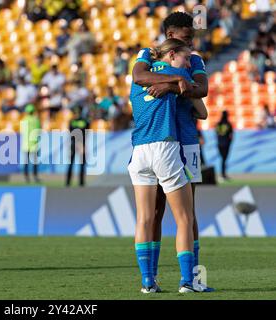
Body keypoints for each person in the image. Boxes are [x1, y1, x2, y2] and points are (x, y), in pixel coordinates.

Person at [132, 11, 213, 293]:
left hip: (185, 140)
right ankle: (153, 278)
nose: (192, 46)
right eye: (187, 38)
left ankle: (194, 278)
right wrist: (176, 83)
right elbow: (138, 75)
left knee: (188, 212)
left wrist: (171, 86)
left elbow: (201, 89)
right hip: (165, 139)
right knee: (157, 212)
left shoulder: (194, 60)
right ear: (171, 36)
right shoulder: (149, 53)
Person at [66, 106, 90, 187]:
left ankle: (68, 182)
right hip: (80, 144)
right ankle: (81, 182)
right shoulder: (85, 121)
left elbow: (71, 133)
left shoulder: (72, 121)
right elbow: (86, 133)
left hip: (75, 143)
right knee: (81, 163)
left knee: (72, 163)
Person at [20, 104, 41, 183]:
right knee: (35, 161)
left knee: (26, 162)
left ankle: (26, 177)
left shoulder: (24, 120)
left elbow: (22, 130)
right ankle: (35, 176)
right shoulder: (36, 120)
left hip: (26, 143)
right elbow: (39, 131)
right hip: (34, 143)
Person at [215, 110, 233, 181]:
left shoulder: (218, 124)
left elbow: (216, 133)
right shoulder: (228, 124)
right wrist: (230, 142)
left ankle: (223, 174)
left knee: (223, 159)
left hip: (219, 144)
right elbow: (231, 135)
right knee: (224, 159)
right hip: (226, 144)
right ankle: (223, 174)